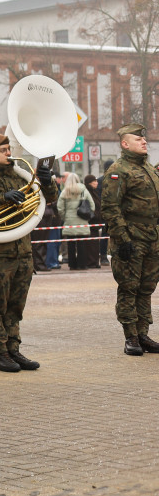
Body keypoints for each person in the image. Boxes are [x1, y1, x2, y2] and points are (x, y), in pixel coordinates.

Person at [0, 134, 58, 372]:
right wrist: (1, 198)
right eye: (3, 150)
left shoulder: (20, 175)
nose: (8, 153)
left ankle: (13, 348)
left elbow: (50, 199)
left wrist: (47, 182)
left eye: (8, 149)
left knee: (16, 306)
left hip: (23, 252)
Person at [100, 123, 159, 356]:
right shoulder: (118, 170)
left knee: (146, 288)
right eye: (138, 139)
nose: (144, 142)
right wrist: (123, 239)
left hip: (152, 238)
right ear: (125, 144)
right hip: (132, 238)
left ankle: (143, 334)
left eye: (144, 139)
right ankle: (131, 337)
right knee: (129, 288)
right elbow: (110, 207)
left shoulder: (149, 168)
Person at [57, 173, 94, 270]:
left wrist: (65, 217)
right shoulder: (84, 190)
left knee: (71, 244)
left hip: (69, 220)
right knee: (82, 243)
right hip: (82, 220)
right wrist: (87, 216)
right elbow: (92, 205)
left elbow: (60, 207)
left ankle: (72, 265)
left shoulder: (65, 191)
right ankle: (82, 264)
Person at [82, 175, 103, 268]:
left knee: (95, 243)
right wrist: (94, 216)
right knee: (91, 243)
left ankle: (94, 261)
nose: (97, 183)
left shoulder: (94, 192)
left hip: (96, 221)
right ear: (89, 183)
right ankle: (91, 262)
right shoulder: (87, 192)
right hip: (91, 221)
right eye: (94, 181)